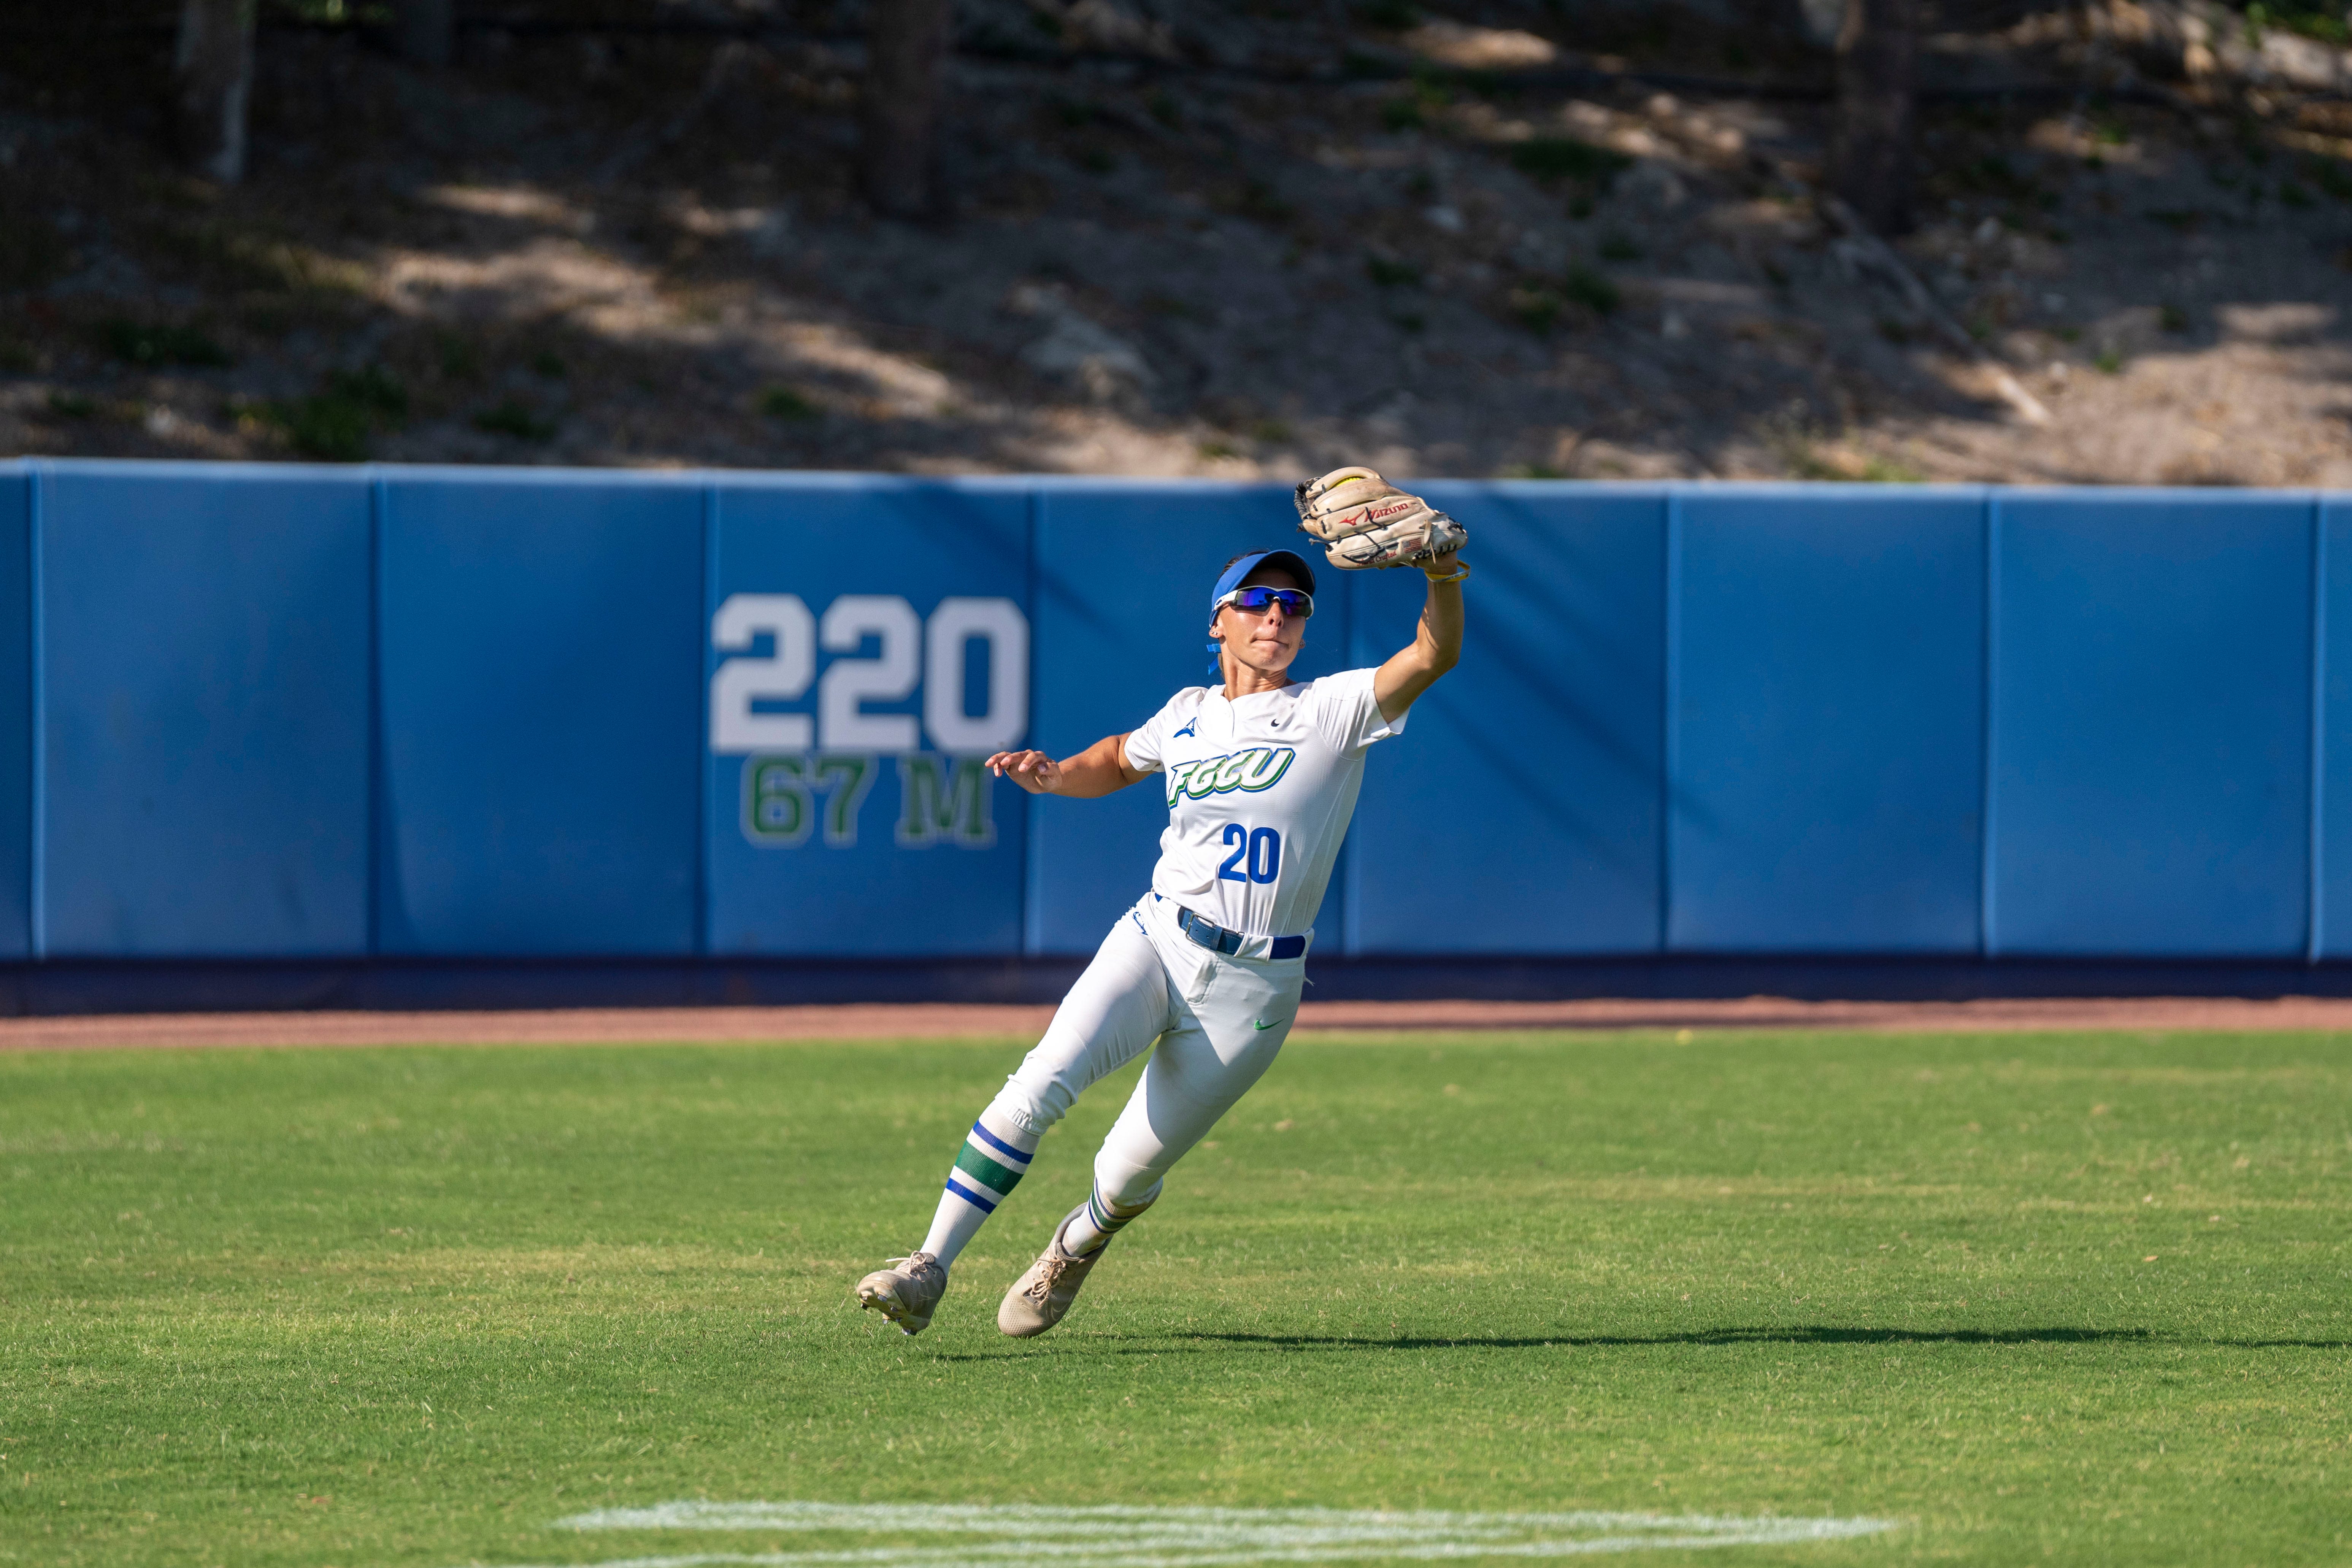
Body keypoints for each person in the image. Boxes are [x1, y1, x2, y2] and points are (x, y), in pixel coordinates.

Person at [855, 534, 1467, 1338]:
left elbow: (1434, 651)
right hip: (1158, 938)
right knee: (1040, 1083)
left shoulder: (1331, 708)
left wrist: (1441, 572)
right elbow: (1117, 758)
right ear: (1219, 623)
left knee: (1127, 1173)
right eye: (1256, 601)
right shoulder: (1187, 713)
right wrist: (1055, 773)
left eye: (1294, 605)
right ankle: (927, 1264)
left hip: (1256, 986)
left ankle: (1077, 1243)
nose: (1276, 615)